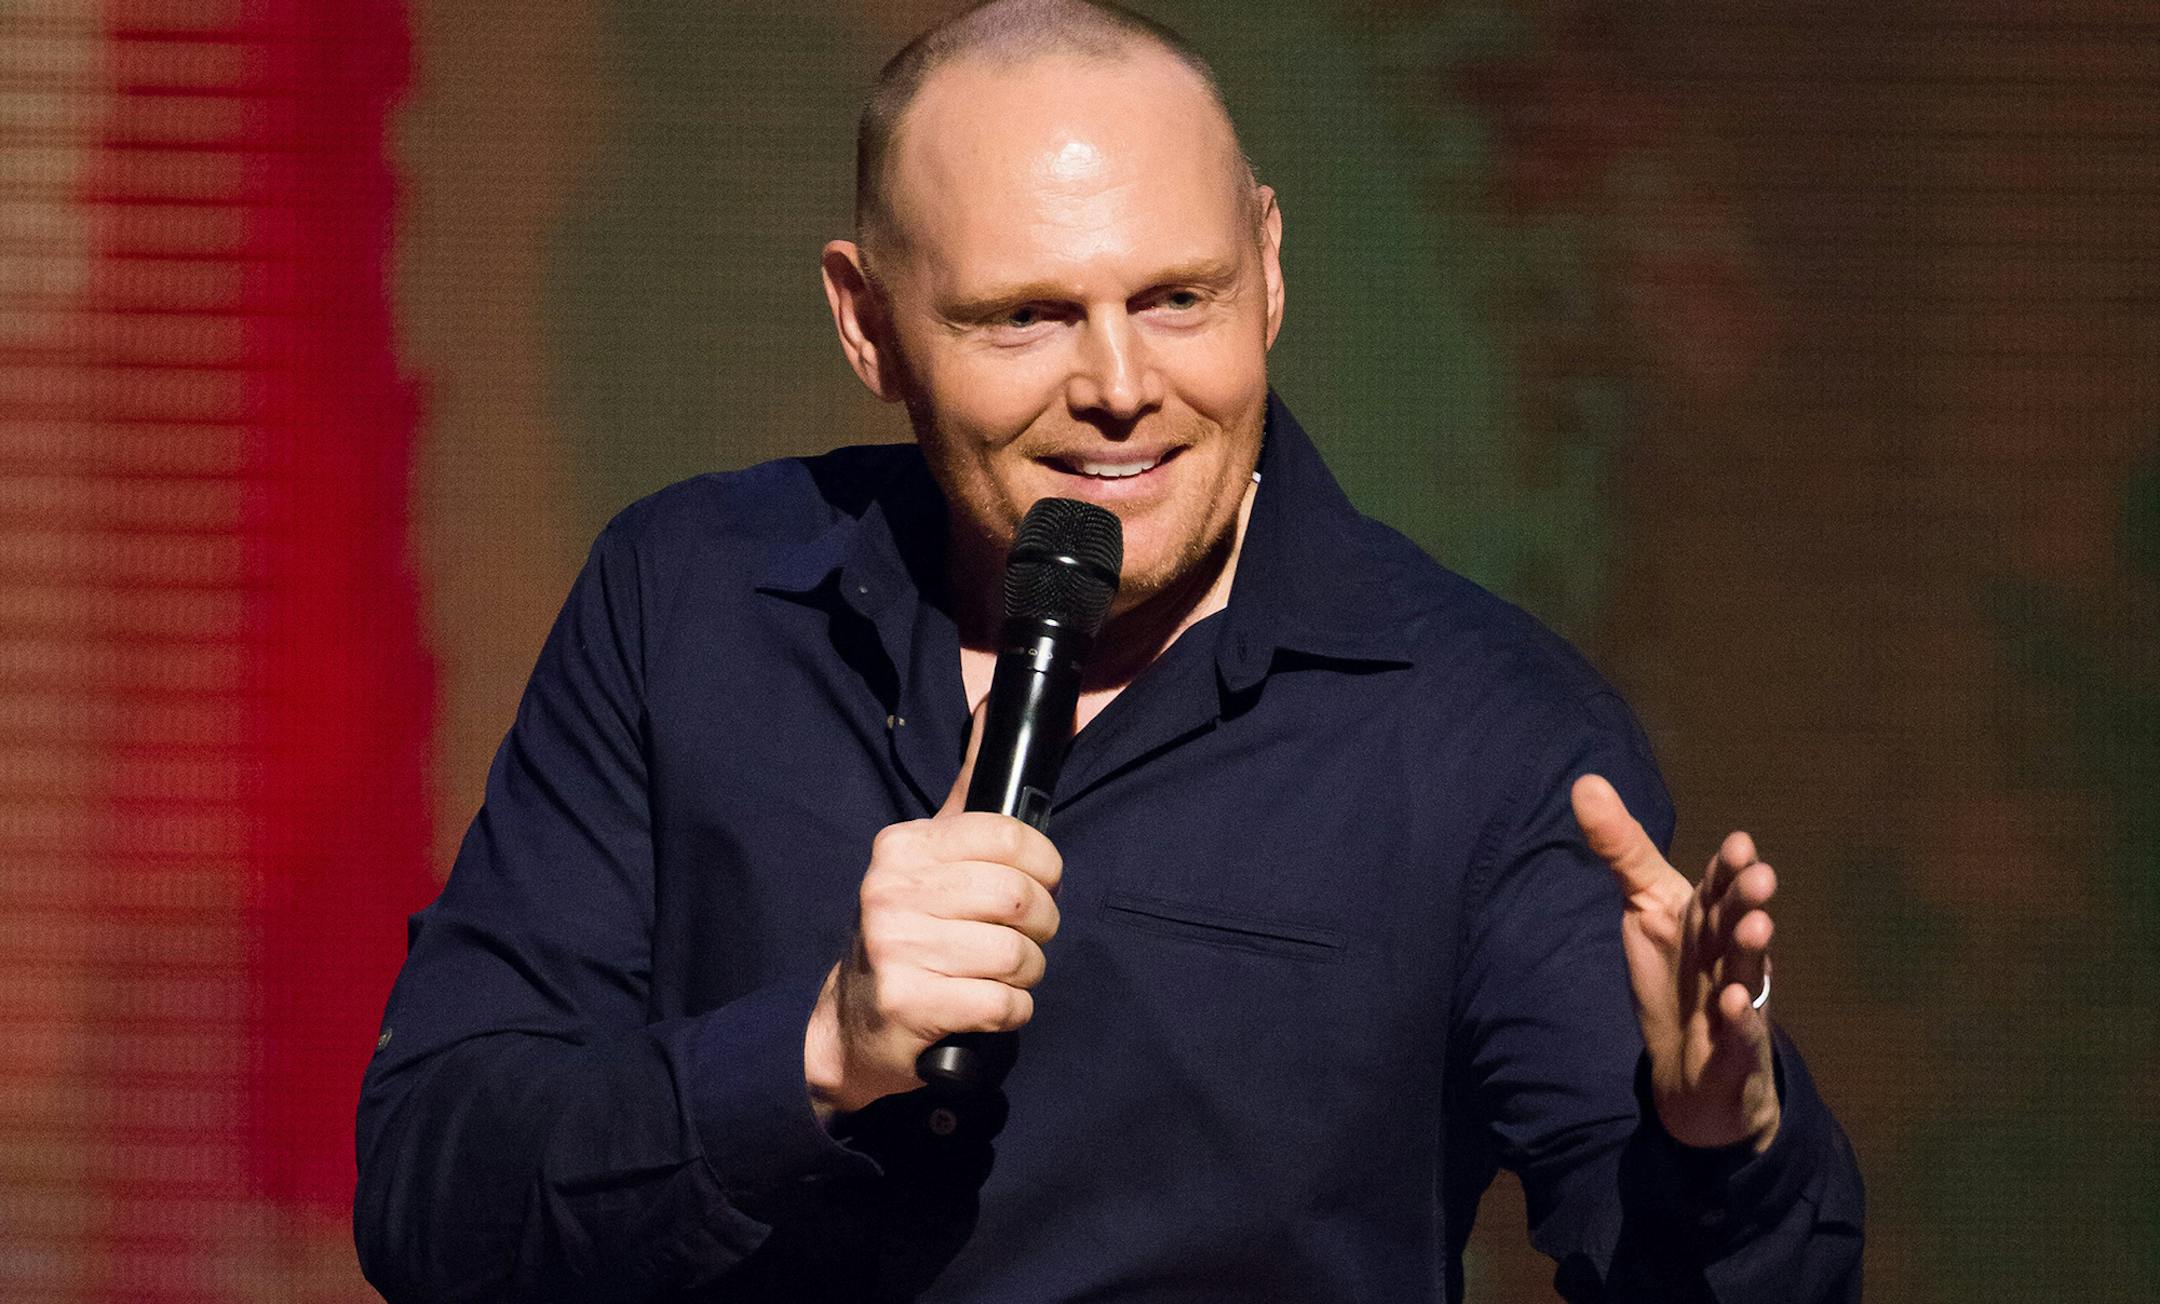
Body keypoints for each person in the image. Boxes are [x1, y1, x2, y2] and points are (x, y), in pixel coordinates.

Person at [354, 2, 1864, 1299]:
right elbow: (433, 1197)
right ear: (868, 322)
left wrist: (1719, 1149)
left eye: (1176, 299)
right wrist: (814, 1052)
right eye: (1027, 318)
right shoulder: (689, 603)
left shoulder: (1485, 732)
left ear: (1268, 267)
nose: (1121, 387)